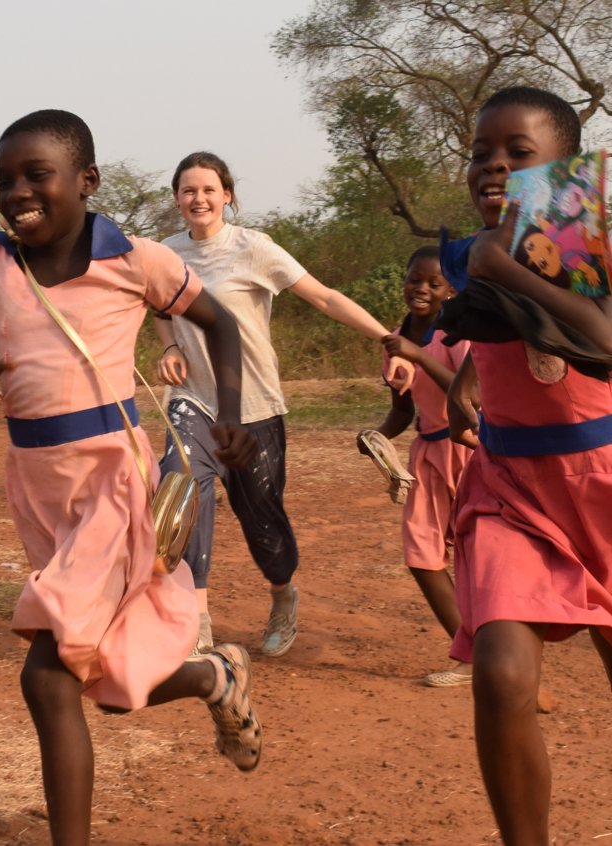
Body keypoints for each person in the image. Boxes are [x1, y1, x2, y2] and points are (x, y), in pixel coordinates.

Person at [0, 111, 262, 846]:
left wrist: (233, 416)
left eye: (35, 175)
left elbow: (220, 323)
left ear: (86, 181)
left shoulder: (134, 260)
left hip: (114, 486)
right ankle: (214, 677)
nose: (16, 192)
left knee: (48, 676)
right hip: (39, 490)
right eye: (4, 180)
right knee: (111, 684)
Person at [156, 151, 414, 657]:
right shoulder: (165, 254)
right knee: (186, 493)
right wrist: (168, 344)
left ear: (227, 195)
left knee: (264, 524)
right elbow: (159, 304)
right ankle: (197, 619)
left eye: (209, 189)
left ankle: (281, 593)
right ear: (177, 199)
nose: (199, 199)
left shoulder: (255, 248)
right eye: (189, 190)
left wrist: (390, 340)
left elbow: (325, 298)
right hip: (192, 403)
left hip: (254, 406)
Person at [445, 86, 612, 844]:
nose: (494, 166)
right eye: (483, 153)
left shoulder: (587, 247)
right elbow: (493, 333)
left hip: (603, 483)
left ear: (565, 169)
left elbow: (602, 342)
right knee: (502, 674)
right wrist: (463, 382)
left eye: (519, 154)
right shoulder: (467, 253)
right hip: (513, 491)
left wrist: (503, 266)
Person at [358, 245, 474, 686]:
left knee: (475, 554)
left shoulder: (460, 334)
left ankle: (502, 653)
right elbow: (402, 413)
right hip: (428, 453)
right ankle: (473, 655)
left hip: (473, 449)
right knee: (422, 556)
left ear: (452, 289)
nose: (421, 289)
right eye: (414, 279)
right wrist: (375, 439)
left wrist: (421, 355)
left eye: (434, 283)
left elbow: (472, 399)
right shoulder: (394, 340)